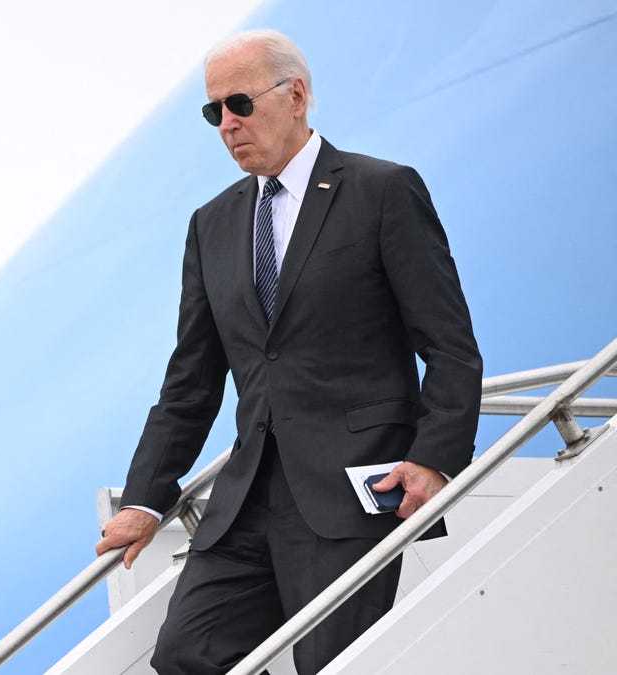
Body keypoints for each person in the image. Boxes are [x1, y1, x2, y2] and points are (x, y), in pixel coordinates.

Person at [94, 29, 482, 675]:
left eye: (239, 103)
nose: (227, 123)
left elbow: (450, 345)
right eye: (213, 110)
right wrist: (144, 499)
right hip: (247, 499)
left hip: (352, 490)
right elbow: (191, 380)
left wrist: (434, 459)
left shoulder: (380, 190)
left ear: (295, 95)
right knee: (188, 652)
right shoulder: (212, 222)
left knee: (332, 664)